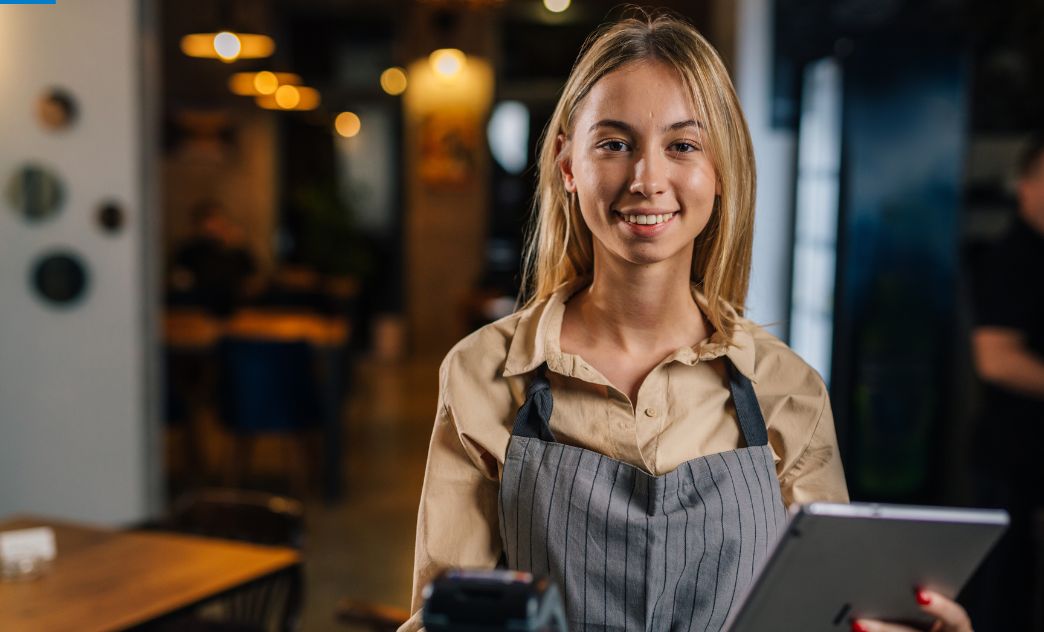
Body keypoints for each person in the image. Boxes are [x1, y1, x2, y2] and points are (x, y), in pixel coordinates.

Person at [401, 11, 974, 632]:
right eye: (614, 143)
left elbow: (824, 617)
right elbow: (447, 619)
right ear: (567, 163)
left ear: (720, 169)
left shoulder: (788, 390)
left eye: (683, 145)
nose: (648, 179)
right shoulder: (483, 374)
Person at [968, 134, 1044, 632]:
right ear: (1024, 186)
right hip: (1012, 458)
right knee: (1002, 598)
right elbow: (995, 359)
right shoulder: (1013, 257)